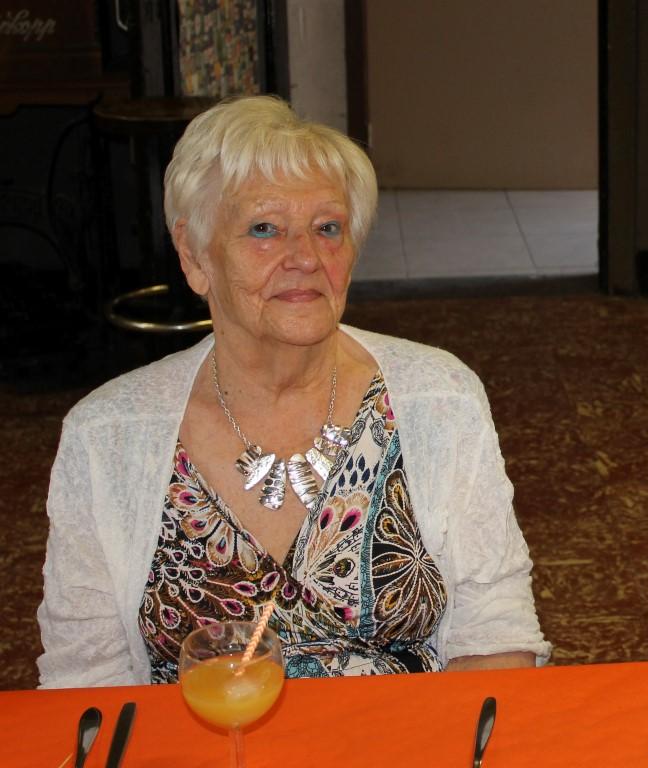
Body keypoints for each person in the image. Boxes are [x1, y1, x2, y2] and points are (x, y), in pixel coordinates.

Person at [37, 95, 549, 687]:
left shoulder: (440, 398)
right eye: (264, 229)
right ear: (194, 255)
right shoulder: (107, 436)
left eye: (328, 228)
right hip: (200, 738)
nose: (305, 257)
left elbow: (495, 632)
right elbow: (85, 680)